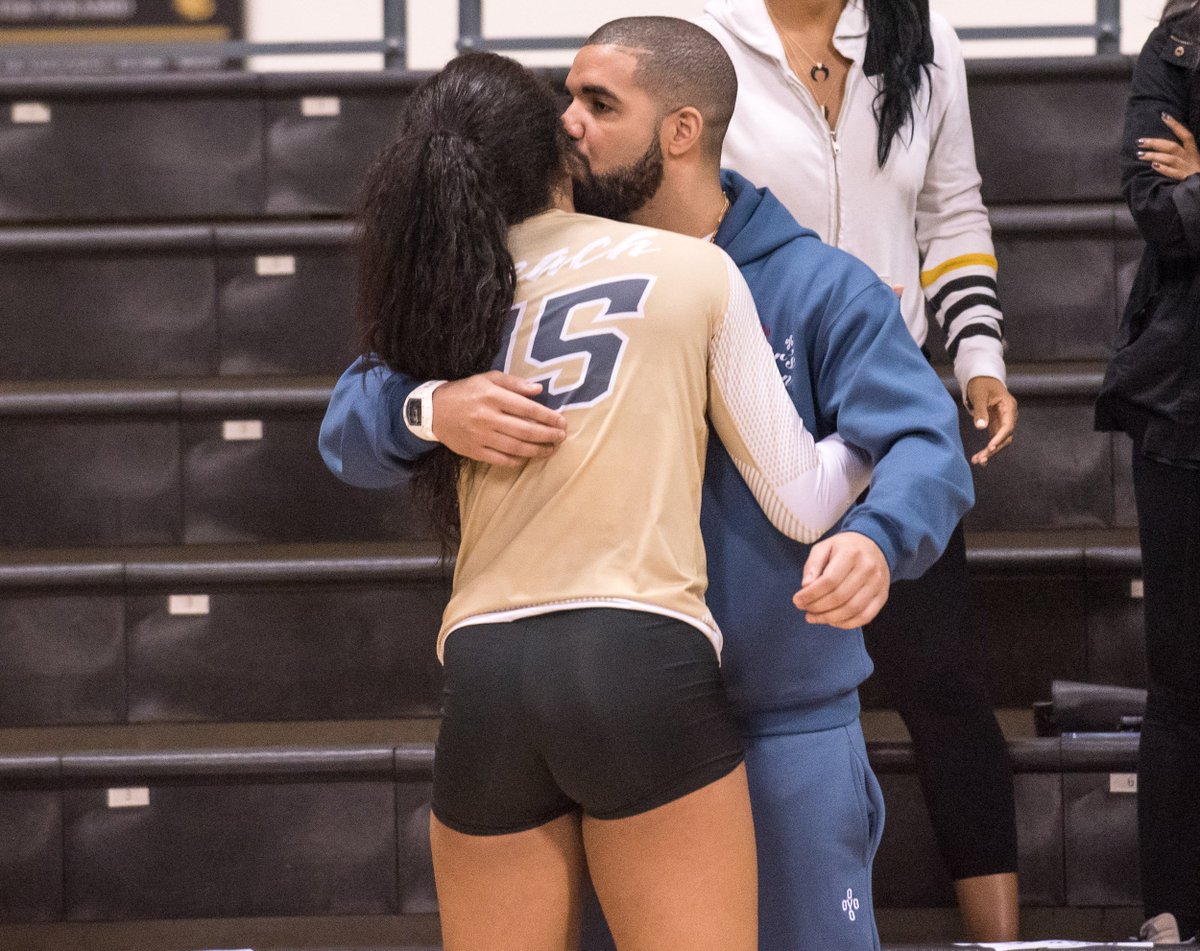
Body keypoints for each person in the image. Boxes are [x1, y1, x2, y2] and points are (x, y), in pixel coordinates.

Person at [321, 18, 974, 951]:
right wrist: (429, 406)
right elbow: (352, 416)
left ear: (679, 130)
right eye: (565, 97)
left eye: (598, 103)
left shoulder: (821, 286)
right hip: (626, 722)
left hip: (775, 721)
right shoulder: (499, 273)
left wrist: (878, 537)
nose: (567, 122)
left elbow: (925, 439)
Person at [697, 0, 1022, 938]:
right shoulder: (702, 35)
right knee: (734, 686)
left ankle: (1002, 939)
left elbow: (951, 209)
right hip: (751, 389)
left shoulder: (925, 40)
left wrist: (979, 354)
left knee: (945, 682)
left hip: (887, 388)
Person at [1095, 1, 1200, 943]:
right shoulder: (1181, 38)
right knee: (1182, 679)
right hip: (1183, 405)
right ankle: (1171, 916)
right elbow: (1158, 207)